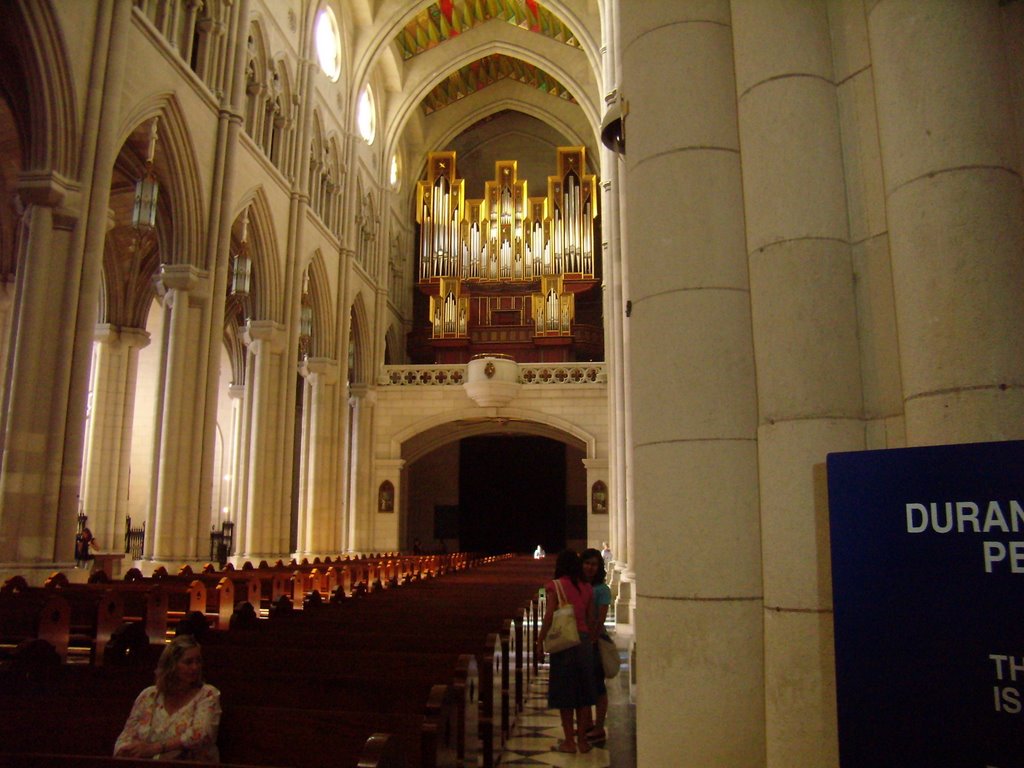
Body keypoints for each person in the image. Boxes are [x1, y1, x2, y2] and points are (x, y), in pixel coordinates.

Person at [114, 634, 221, 761]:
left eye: (198, 661)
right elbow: (127, 735)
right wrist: (125, 750)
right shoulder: (149, 695)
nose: (195, 667)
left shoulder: (207, 694)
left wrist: (154, 748)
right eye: (188, 662)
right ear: (172, 665)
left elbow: (201, 735)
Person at [536, 549, 597, 754]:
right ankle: (582, 741)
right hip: (583, 642)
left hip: (564, 644)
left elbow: (549, 616)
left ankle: (569, 741)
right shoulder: (587, 587)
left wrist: (540, 641)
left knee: (565, 693)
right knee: (583, 692)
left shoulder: (556, 586)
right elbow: (590, 619)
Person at [582, 547, 613, 743]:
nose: (590, 567)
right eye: (587, 563)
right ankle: (586, 724)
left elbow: (600, 620)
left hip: (593, 641)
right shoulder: (580, 586)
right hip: (580, 640)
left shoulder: (602, 590)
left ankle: (599, 726)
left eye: (594, 564)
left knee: (598, 685)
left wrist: (591, 639)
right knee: (583, 684)